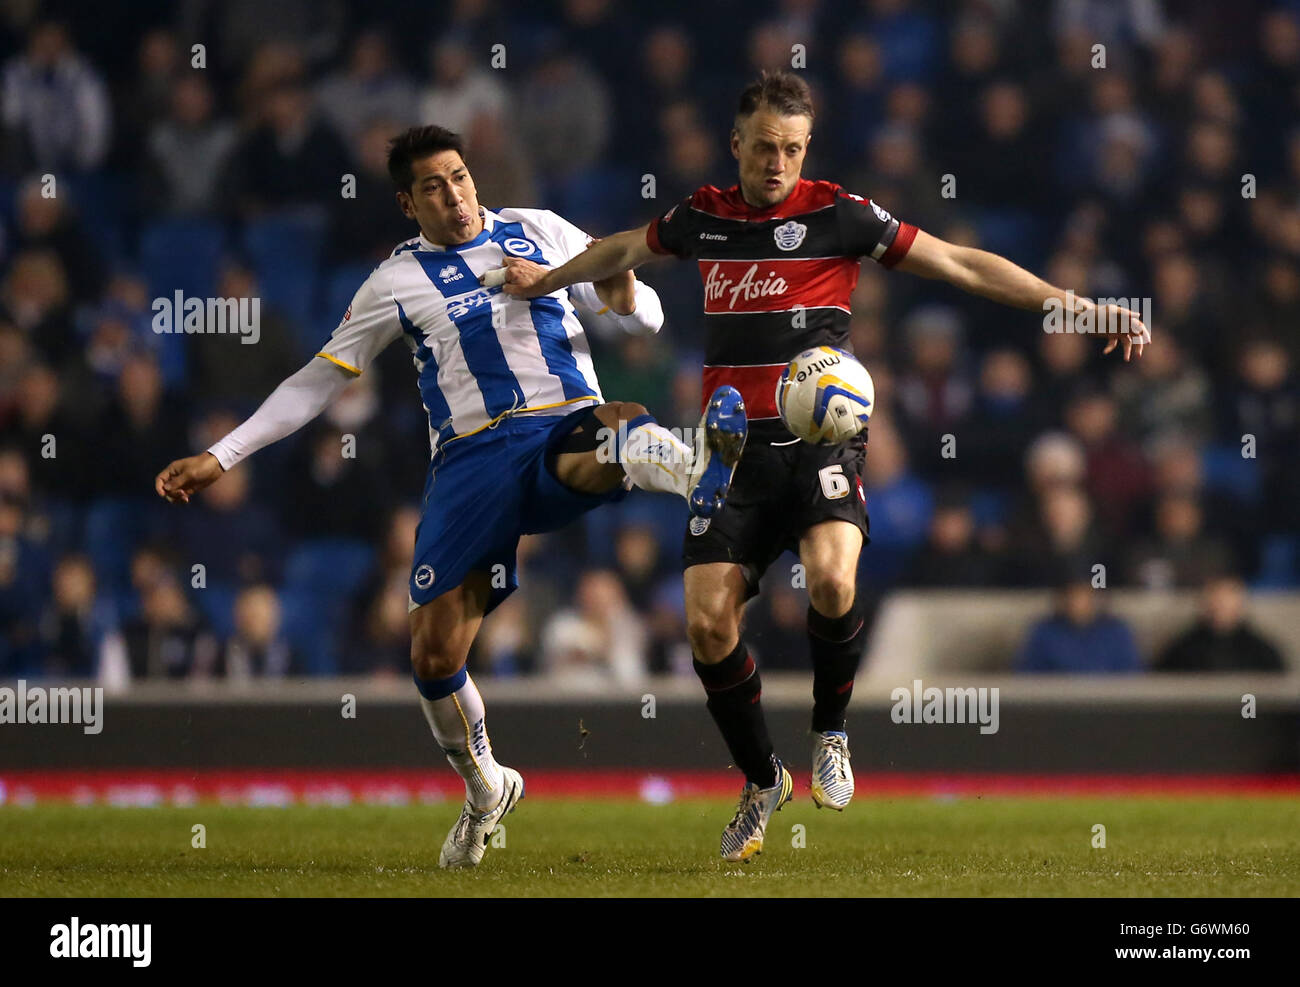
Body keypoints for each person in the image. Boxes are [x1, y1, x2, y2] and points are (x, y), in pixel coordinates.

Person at [504, 70, 1151, 861]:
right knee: (708, 626)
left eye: (793, 148)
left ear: (806, 149)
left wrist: (1076, 306)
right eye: (766, 147)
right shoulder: (703, 215)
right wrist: (547, 281)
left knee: (835, 578)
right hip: (730, 451)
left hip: (820, 442)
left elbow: (961, 265)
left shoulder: (840, 214)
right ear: (736, 143)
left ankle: (832, 731)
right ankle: (760, 778)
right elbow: (620, 248)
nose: (778, 162)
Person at [154, 124, 748, 869]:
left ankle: (699, 470)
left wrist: (621, 286)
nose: (455, 194)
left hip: (560, 427)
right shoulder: (394, 282)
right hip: (469, 463)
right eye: (433, 186)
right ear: (409, 202)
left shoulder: (540, 229)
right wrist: (221, 453)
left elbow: (646, 316)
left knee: (617, 427)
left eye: (460, 176)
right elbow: (317, 381)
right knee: (433, 653)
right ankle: (485, 784)